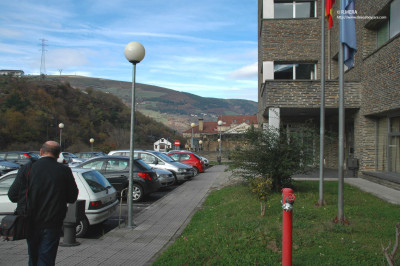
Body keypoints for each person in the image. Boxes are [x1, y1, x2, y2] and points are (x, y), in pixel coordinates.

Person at [8, 141, 79, 266]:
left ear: (41, 152)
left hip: (29, 221)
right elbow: (72, 197)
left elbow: (12, 195)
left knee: (33, 257)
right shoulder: (64, 170)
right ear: (58, 155)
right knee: (47, 258)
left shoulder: (28, 168)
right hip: (53, 222)